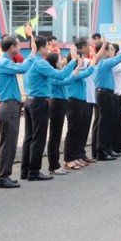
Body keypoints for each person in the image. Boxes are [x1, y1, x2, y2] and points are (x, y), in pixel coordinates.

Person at [21, 36, 78, 181]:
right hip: (39, 102)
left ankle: (25, 170)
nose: (48, 48)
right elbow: (60, 74)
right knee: (38, 138)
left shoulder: (29, 60)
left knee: (29, 137)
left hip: (29, 101)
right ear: (40, 48)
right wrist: (73, 61)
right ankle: (34, 171)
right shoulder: (41, 62)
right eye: (46, 46)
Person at [0, 35, 37, 189]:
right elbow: (24, 68)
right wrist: (32, 53)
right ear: (11, 47)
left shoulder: (5, 61)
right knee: (8, 143)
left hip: (11, 106)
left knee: (9, 143)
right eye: (18, 46)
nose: (19, 48)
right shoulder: (3, 62)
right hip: (8, 106)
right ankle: (2, 177)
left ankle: (5, 175)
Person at [92, 30, 121, 159]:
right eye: (109, 49)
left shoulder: (105, 63)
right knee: (104, 123)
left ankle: (107, 149)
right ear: (104, 51)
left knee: (108, 122)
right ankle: (102, 151)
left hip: (107, 94)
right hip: (104, 94)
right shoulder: (104, 62)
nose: (112, 51)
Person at [64, 39, 101, 171]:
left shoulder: (77, 71)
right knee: (73, 131)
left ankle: (78, 155)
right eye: (82, 58)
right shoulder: (73, 71)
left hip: (81, 102)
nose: (84, 60)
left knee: (79, 131)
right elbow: (86, 73)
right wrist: (92, 62)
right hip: (73, 103)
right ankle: (69, 158)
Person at [46, 51, 81, 175]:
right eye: (60, 60)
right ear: (55, 63)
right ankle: (53, 165)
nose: (62, 62)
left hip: (61, 104)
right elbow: (66, 80)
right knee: (54, 136)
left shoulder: (58, 73)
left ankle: (56, 164)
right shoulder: (54, 75)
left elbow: (67, 77)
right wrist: (74, 64)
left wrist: (76, 68)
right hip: (56, 104)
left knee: (57, 135)